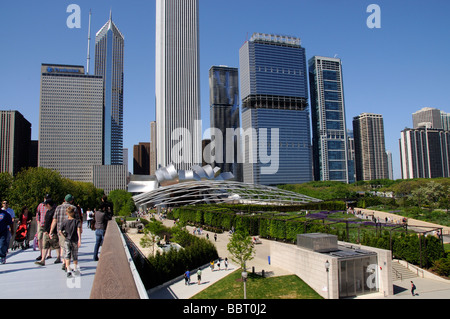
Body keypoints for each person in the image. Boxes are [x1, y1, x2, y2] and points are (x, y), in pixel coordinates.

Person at [50, 194, 80, 271]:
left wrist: (51, 231)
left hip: (61, 231)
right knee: (72, 250)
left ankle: (64, 262)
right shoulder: (74, 208)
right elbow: (78, 221)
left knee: (63, 247)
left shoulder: (58, 207)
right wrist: (80, 233)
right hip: (72, 232)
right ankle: (70, 266)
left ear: (64, 200)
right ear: (71, 200)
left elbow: (54, 220)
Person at [35, 199, 61, 266]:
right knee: (45, 246)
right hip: (46, 231)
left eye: (45, 205)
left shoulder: (54, 212)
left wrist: (51, 231)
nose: (44, 206)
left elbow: (53, 222)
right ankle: (43, 260)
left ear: (48, 205)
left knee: (56, 244)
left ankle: (58, 257)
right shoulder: (48, 211)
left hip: (52, 232)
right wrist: (45, 231)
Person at [60, 206, 82, 278]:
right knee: (74, 255)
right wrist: (79, 240)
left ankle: (68, 270)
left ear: (67, 213)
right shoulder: (76, 221)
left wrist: (64, 236)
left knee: (67, 255)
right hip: (74, 240)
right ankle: (75, 269)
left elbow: (60, 231)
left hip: (67, 240)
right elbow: (78, 231)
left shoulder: (64, 222)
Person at [36, 194, 51, 260]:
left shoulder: (51, 205)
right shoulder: (40, 205)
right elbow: (38, 214)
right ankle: (41, 253)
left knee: (47, 239)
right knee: (39, 238)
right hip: (41, 223)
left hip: (47, 224)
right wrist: (38, 222)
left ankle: (48, 253)